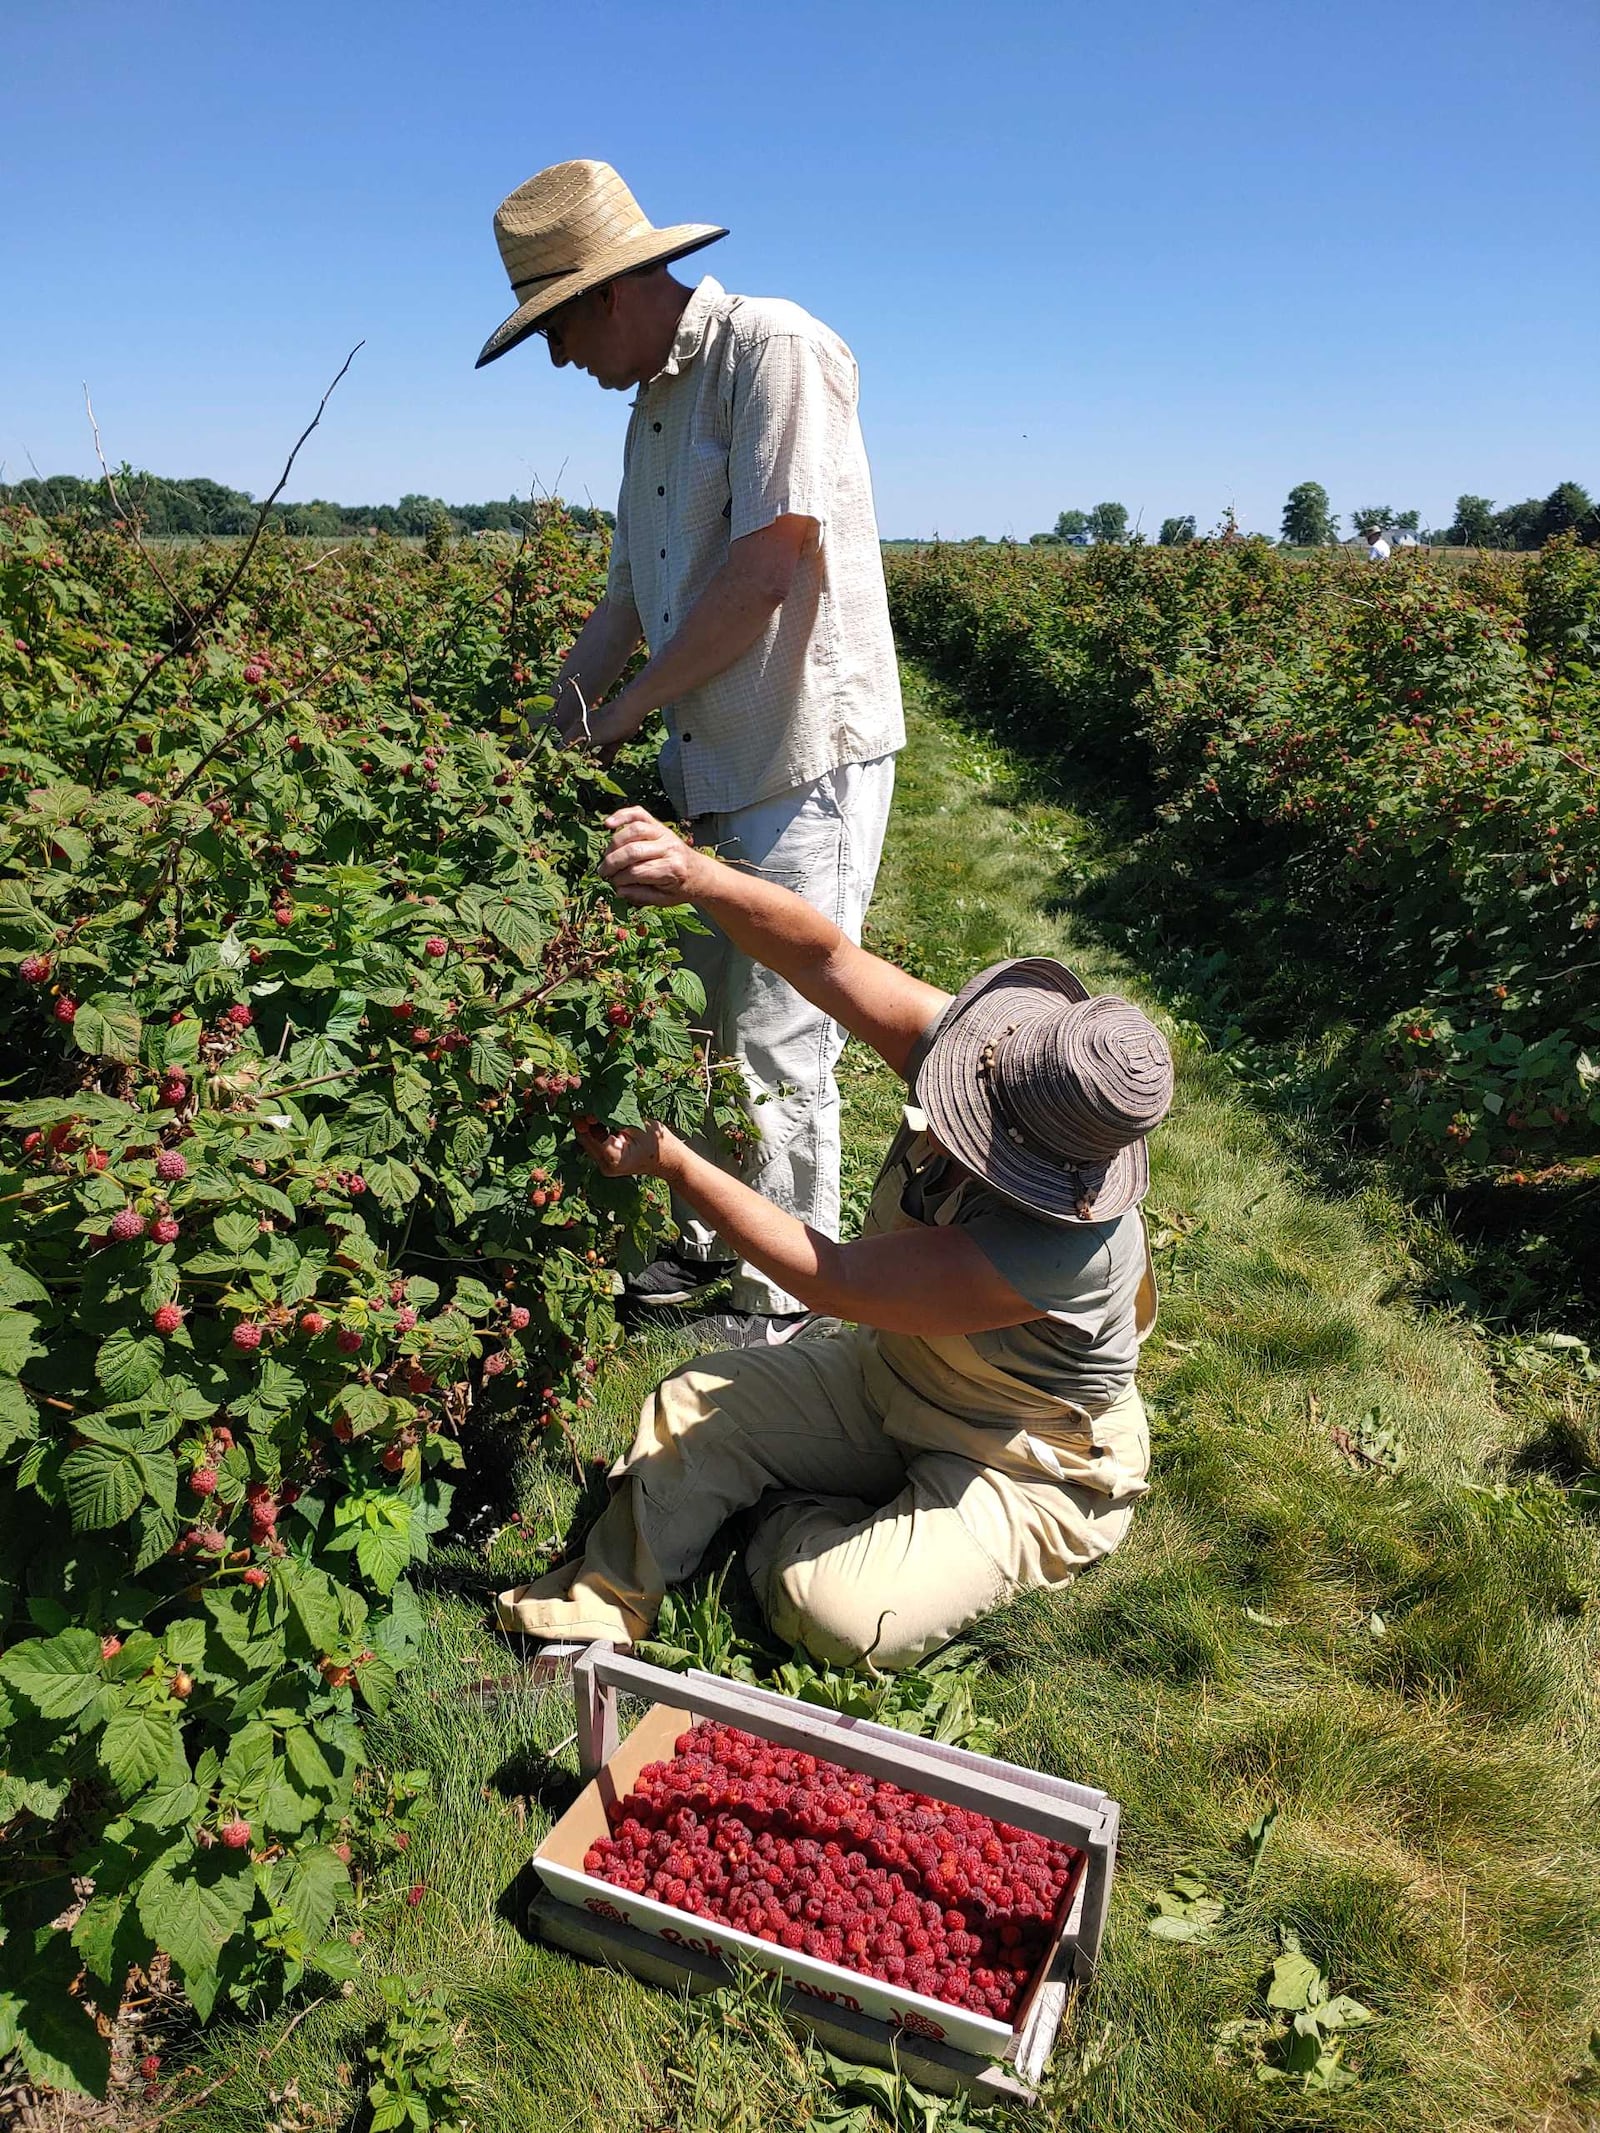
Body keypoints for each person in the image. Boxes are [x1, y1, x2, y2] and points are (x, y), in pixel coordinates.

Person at [494, 806, 1174, 1672]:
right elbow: (826, 960)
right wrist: (696, 874)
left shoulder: (1065, 1247)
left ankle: (798, 1523)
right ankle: (594, 1611)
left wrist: (673, 1162)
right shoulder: (987, 1057)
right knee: (695, 1400)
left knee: (842, 1617)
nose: (963, 1096)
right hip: (895, 1379)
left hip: (1023, 1458)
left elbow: (836, 1281)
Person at [476, 159, 905, 1345]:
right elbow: (624, 605)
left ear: (610, 295)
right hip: (707, 765)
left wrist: (613, 723)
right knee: (708, 1026)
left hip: (797, 752)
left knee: (780, 1040)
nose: (559, 363)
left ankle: (788, 1319)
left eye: (555, 333)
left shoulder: (773, 351)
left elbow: (766, 573)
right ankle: (719, 1238)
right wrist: (543, 737)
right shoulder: (647, 416)